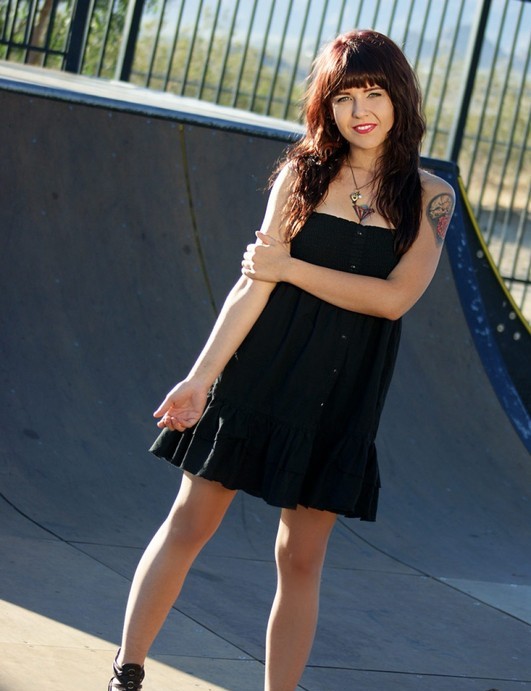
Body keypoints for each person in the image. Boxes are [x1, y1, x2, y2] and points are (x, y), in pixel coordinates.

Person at [108, 29, 455, 691]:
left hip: (340, 395)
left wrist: (291, 267)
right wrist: (199, 378)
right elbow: (252, 286)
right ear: (326, 105)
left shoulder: (429, 195)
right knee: (189, 523)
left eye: (373, 92)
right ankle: (127, 669)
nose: (360, 109)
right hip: (259, 374)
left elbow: (393, 300)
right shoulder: (302, 173)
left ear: (398, 97)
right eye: (344, 96)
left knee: (300, 558)